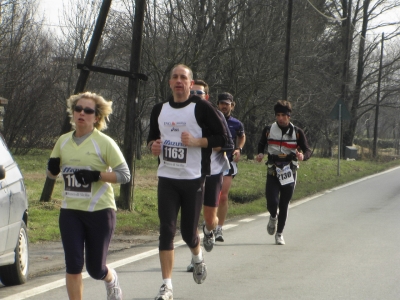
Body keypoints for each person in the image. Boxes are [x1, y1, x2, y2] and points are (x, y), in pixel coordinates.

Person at [147, 65, 229, 300]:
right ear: (170, 83)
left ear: (191, 84)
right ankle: (167, 286)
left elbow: (223, 138)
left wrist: (197, 142)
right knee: (166, 230)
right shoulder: (159, 110)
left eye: (184, 77)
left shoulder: (201, 107)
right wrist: (152, 147)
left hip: (193, 179)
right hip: (167, 178)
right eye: (175, 77)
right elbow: (152, 139)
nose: (179, 81)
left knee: (187, 233)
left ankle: (197, 254)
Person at [46, 92, 131, 300]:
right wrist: (52, 169)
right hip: (70, 212)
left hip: (99, 212)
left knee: (95, 269)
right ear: (73, 113)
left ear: (97, 117)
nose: (82, 113)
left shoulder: (104, 143)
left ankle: (111, 280)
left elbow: (124, 175)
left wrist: (97, 175)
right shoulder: (63, 141)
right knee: (73, 264)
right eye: (78, 109)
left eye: (88, 110)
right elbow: (52, 174)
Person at [186, 80, 234, 272]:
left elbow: (228, 143)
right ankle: (195, 257)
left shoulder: (216, 115)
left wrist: (212, 145)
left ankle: (208, 231)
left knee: (209, 218)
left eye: (199, 93)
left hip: (213, 170)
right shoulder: (182, 114)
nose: (195, 95)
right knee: (191, 219)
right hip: (190, 172)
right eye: (193, 92)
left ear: (206, 96)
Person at [256, 100, 311, 245]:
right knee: (271, 202)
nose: (281, 118)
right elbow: (262, 144)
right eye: (278, 115)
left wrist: (302, 156)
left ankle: (279, 233)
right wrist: (260, 154)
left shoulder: (297, 132)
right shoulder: (268, 129)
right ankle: (273, 216)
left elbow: (307, 150)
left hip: (289, 170)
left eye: (284, 115)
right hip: (273, 169)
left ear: (289, 116)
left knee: (284, 203)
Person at [214, 92, 246, 242]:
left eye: (227, 104)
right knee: (210, 195)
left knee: (223, 196)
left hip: (228, 161)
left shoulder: (236, 123)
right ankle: (210, 223)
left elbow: (242, 135)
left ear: (232, 106)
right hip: (212, 160)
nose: (224, 106)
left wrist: (239, 149)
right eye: (222, 103)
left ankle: (219, 228)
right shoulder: (211, 119)